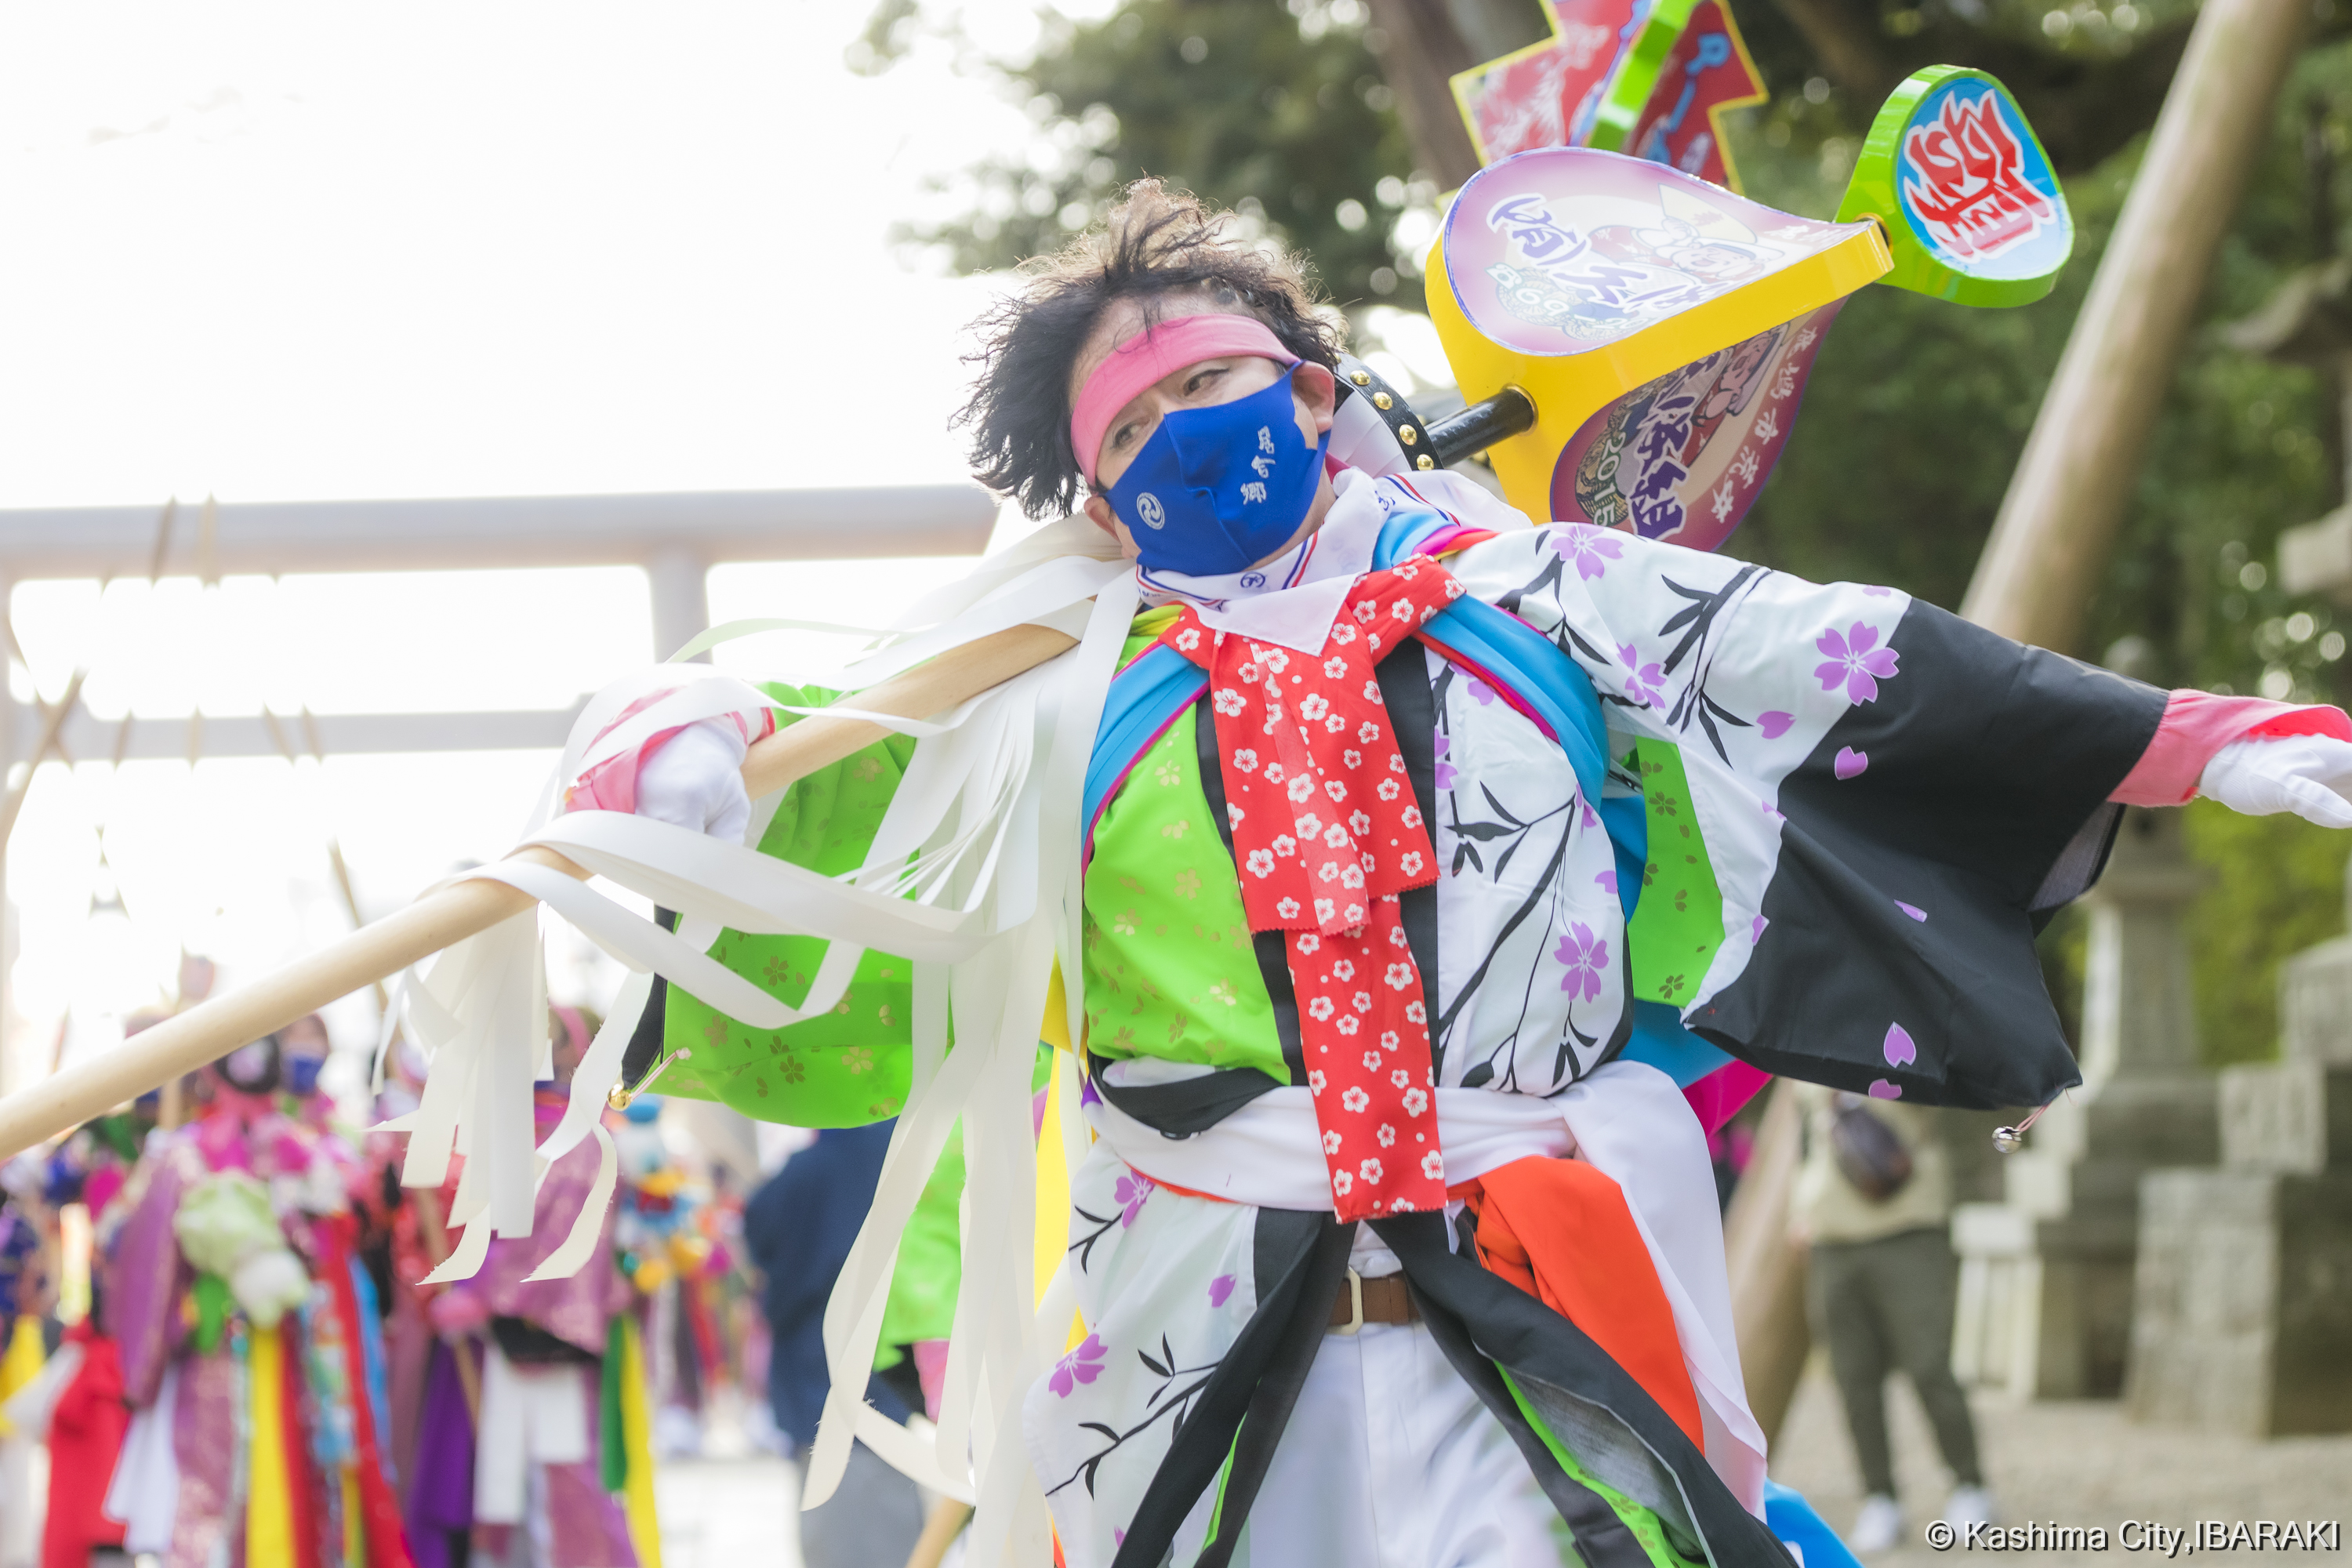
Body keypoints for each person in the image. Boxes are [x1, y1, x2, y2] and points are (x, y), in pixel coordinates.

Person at [406, 180, 2352, 1568]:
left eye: (1215, 379)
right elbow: (825, 718)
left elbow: (1825, 646)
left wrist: (2188, 735)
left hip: (1546, 1275)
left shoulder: (1537, 594)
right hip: (1200, 1321)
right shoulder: (1058, 683)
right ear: (1095, 496)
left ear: (1320, 387)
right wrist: (667, 735)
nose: (1191, 432)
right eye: (1137, 424)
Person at [1791, 1087, 1988, 1552]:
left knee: (1929, 1364)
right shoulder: (1801, 1046)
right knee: (1852, 1377)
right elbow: (1803, 1140)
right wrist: (1797, 1210)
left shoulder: (1904, 1026)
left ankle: (1969, 1485)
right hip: (1830, 1233)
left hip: (1909, 1222)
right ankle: (1879, 1496)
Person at [742, 1123, 925, 1568]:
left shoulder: (809, 1169)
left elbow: (760, 1229)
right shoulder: (909, 1148)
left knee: (838, 1539)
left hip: (816, 1375)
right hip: (895, 1376)